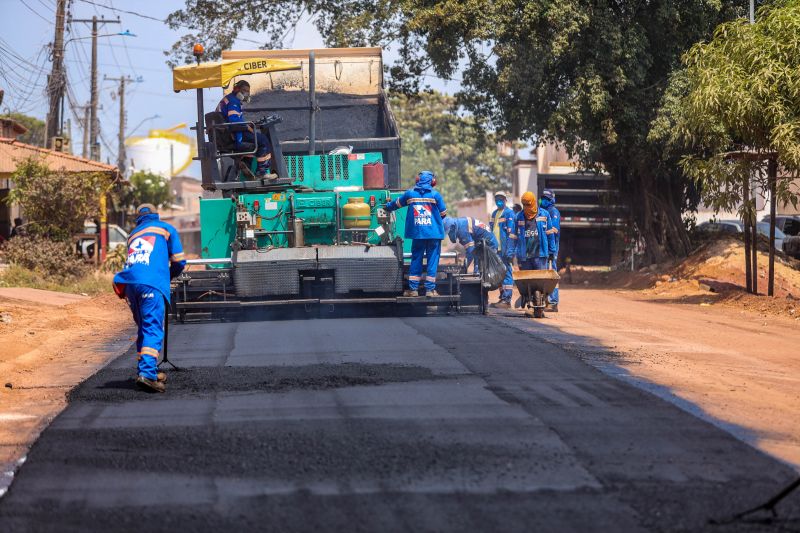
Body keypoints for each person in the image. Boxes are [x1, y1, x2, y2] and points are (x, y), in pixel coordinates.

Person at [113, 204, 186, 393]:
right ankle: (147, 375)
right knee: (152, 327)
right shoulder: (165, 228)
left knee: (144, 327)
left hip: (130, 285)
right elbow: (179, 261)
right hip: (151, 285)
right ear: (156, 215)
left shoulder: (133, 235)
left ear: (138, 218)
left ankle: (147, 370)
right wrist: (166, 276)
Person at [385, 171, 447, 297]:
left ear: (418, 180)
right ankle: (430, 290)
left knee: (416, 259)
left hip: (418, 234)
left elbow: (395, 204)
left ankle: (413, 290)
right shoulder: (436, 195)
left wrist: (387, 206)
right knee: (432, 260)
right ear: (432, 182)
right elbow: (443, 213)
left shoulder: (410, 194)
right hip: (434, 234)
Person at [216, 80, 272, 177]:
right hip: (233, 135)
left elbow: (234, 120)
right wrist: (249, 128)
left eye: (247, 91)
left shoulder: (228, 99)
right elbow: (235, 122)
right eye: (244, 90)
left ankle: (246, 164)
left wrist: (249, 126)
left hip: (227, 134)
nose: (246, 93)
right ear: (237, 89)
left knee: (253, 140)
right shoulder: (233, 102)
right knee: (263, 140)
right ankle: (262, 172)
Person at [489, 191, 516, 308]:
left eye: (501, 199)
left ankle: (507, 300)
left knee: (507, 273)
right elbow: (490, 230)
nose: (499, 201)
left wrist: (510, 251)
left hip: (505, 249)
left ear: (505, 200)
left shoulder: (509, 213)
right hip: (496, 249)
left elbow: (512, 234)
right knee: (498, 274)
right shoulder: (494, 213)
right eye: (497, 199)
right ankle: (502, 297)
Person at [515, 191, 553, 271]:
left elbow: (550, 234)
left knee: (541, 281)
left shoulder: (544, 214)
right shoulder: (518, 217)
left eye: (528, 204)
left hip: (540, 256)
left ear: (533, 202)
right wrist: (512, 254)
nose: (525, 207)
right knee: (527, 282)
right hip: (525, 258)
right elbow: (514, 237)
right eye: (524, 205)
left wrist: (551, 252)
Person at [540, 189, 561, 311]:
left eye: (547, 199)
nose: (544, 200)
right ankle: (546, 300)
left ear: (552, 199)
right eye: (543, 198)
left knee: (552, 273)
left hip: (551, 247)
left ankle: (553, 302)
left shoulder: (553, 212)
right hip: (543, 247)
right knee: (545, 273)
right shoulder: (543, 212)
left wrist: (542, 233)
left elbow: (554, 230)